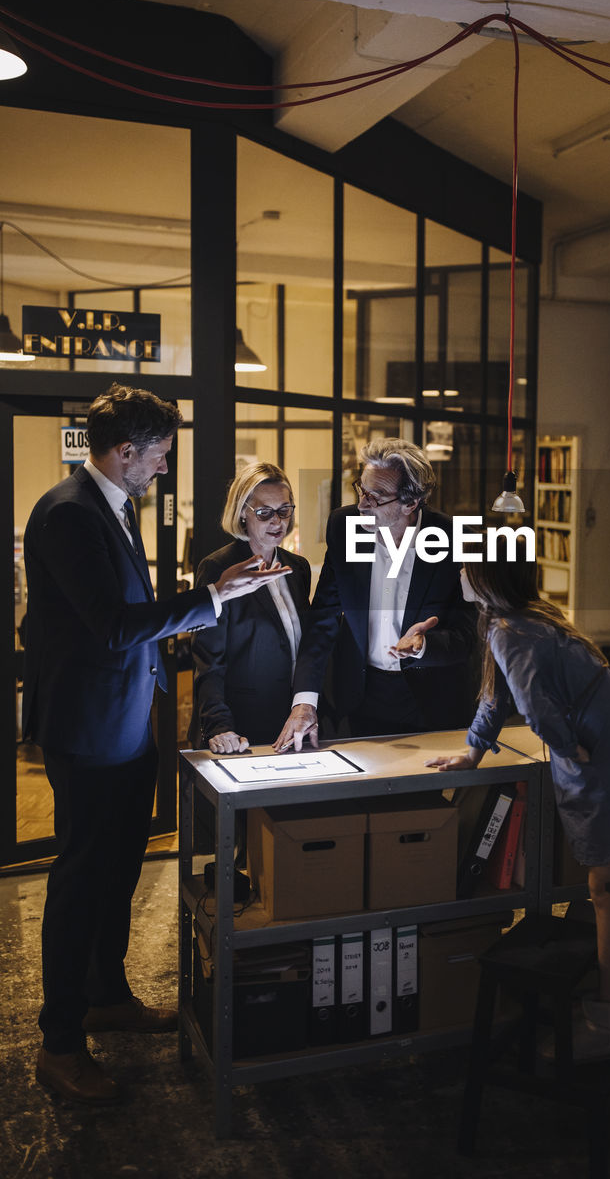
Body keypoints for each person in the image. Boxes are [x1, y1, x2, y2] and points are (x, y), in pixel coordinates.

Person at [23, 383, 288, 1105]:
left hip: (128, 719)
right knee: (82, 876)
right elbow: (111, 624)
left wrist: (205, 598)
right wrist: (210, 600)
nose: (164, 468)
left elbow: (127, 616)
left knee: (119, 865)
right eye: (161, 455)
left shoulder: (111, 505)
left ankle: (107, 994)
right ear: (125, 451)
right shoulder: (69, 514)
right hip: (89, 725)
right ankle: (59, 1042)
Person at [425, 534, 610, 1061]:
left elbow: (531, 707)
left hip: (599, 752)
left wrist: (567, 746)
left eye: (464, 564)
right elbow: (498, 694)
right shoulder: (525, 618)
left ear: (485, 577)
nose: (456, 571)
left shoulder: (508, 629)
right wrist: (474, 751)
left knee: (609, 888)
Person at [275, 437, 477, 749]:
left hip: (431, 701)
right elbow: (322, 619)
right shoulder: (344, 526)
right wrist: (304, 701)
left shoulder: (454, 539)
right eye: (361, 490)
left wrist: (426, 645)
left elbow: (468, 635)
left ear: (411, 503)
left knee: (423, 798)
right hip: (359, 696)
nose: (361, 504)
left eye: (376, 496)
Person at [188, 462, 311, 754]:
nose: (277, 522)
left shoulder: (298, 567)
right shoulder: (219, 568)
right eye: (264, 513)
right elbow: (209, 659)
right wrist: (219, 726)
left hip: (291, 723)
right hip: (240, 729)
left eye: (284, 510)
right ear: (243, 512)